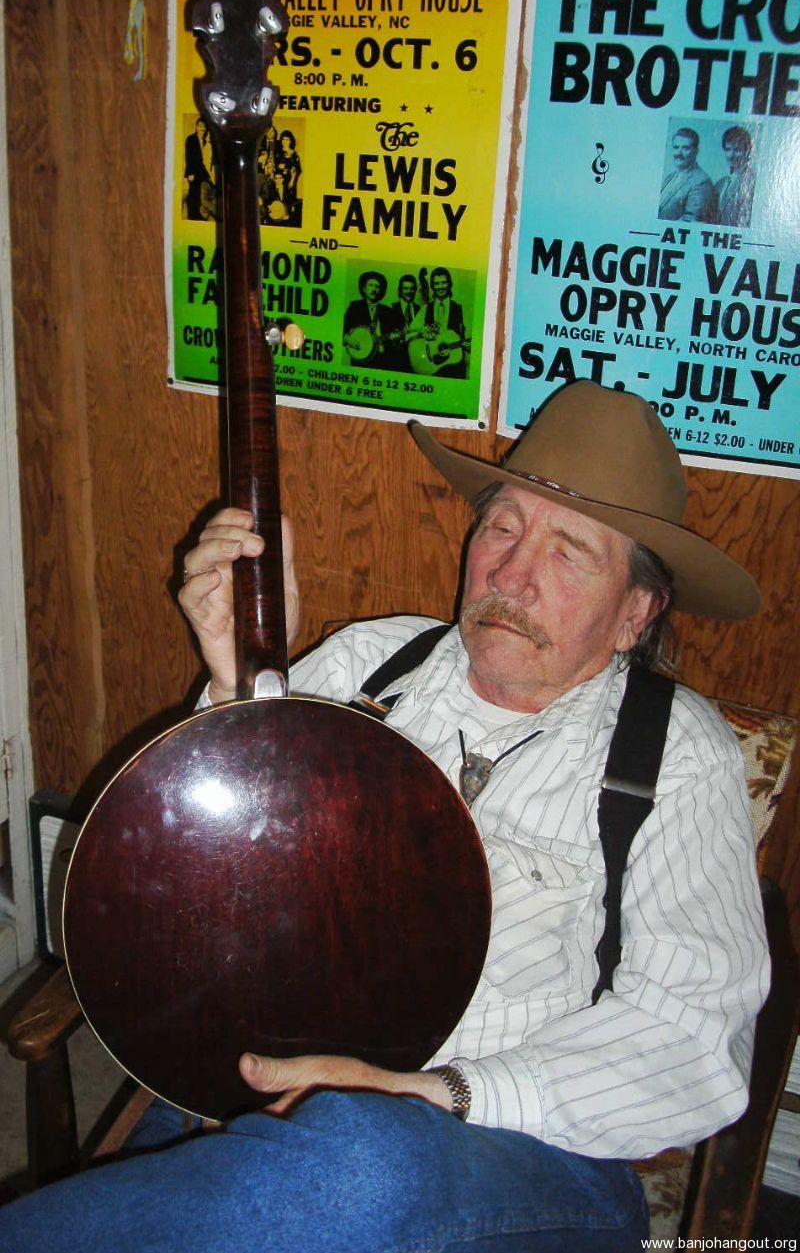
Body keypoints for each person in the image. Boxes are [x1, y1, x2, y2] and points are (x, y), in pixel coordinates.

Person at [0, 381, 768, 1252]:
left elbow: (694, 1038)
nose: (513, 573)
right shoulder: (372, 661)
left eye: (569, 553)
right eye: (504, 526)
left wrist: (429, 1092)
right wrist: (233, 681)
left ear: (636, 612)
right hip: (274, 1092)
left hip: (530, 1151)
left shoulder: (678, 755)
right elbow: (215, 873)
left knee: (357, 1156)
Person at [408, 266, 471, 377]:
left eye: (444, 283)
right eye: (437, 284)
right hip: (432, 368)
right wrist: (422, 333)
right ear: (432, 286)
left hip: (455, 367)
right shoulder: (425, 308)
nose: (440, 287)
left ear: (449, 284)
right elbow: (409, 334)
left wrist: (469, 346)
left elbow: (470, 338)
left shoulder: (461, 309)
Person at [658, 127, 714, 223]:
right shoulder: (670, 177)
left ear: (696, 151)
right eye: (676, 147)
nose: (678, 153)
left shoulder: (701, 182)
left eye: (685, 148)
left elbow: (691, 222)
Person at [342, 270, 395, 368]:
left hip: (383, 361)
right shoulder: (354, 307)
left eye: (377, 287)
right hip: (361, 362)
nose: (374, 289)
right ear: (364, 289)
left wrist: (393, 339)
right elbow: (341, 330)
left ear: (380, 291)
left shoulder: (388, 311)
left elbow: (393, 337)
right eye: (371, 285)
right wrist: (348, 339)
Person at [714, 126, 756, 228]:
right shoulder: (720, 184)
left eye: (737, 150)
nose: (731, 155)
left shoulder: (753, 183)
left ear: (748, 151)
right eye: (728, 149)